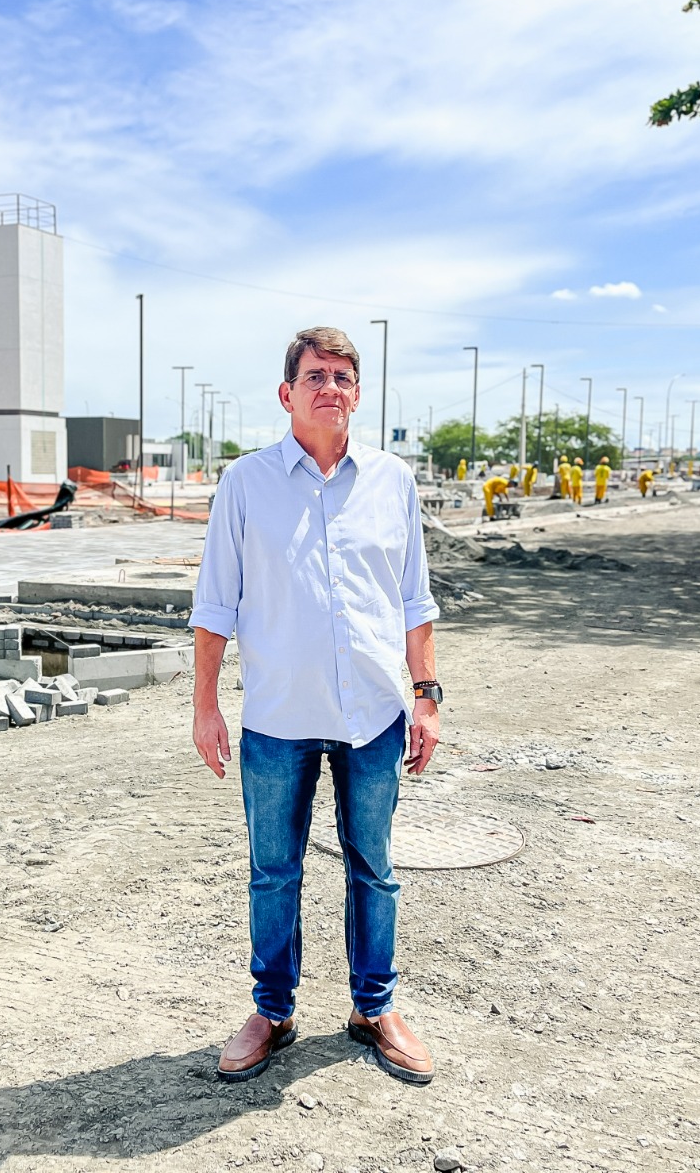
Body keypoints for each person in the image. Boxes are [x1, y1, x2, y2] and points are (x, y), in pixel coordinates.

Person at [190, 326, 441, 1087]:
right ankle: (272, 1011)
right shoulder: (246, 483)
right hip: (277, 717)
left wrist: (426, 696)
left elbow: (413, 599)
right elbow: (215, 602)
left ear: (358, 393)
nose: (330, 386)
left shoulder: (393, 481)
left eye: (343, 375)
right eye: (315, 375)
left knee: (376, 871)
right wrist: (206, 704)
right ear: (286, 393)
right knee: (274, 872)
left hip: (373, 712)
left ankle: (375, 1008)